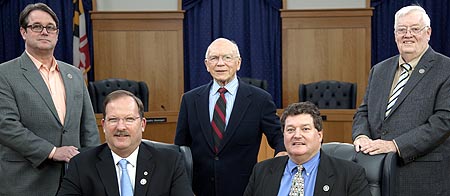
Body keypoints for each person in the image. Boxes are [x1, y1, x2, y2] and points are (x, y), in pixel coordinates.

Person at [0, 3, 100, 195]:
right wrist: (52, 151)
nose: (44, 32)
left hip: (73, 179)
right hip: (26, 180)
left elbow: (88, 126)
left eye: (50, 27)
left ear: (57, 33)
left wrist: (92, 165)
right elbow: (6, 125)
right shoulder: (5, 73)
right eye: (36, 26)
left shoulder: (74, 74)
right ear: (23, 32)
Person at [352, 5, 450, 196]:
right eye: (401, 29)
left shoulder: (445, 69)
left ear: (428, 33)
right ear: (395, 34)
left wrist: (394, 145)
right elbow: (363, 111)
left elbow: (443, 122)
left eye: (415, 29)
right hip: (375, 173)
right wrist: (361, 136)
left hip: (422, 177)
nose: (408, 34)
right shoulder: (379, 70)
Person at [174, 37, 286, 196]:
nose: (220, 63)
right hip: (199, 189)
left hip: (245, 189)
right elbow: (180, 147)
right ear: (207, 65)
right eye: (214, 58)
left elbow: (279, 138)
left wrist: (280, 159)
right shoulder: (190, 100)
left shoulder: (260, 100)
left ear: (238, 63)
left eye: (227, 57)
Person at [58, 90, 193, 196]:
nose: (121, 127)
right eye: (113, 119)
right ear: (104, 125)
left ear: (142, 124)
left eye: (129, 119)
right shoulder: (81, 164)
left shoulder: (170, 162)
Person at [244, 102, 371, 196]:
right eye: (290, 130)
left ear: (319, 135)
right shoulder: (261, 171)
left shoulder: (349, 175)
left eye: (305, 129)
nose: (297, 135)